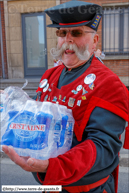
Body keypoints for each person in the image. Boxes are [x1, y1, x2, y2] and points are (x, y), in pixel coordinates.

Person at [2, 1, 129, 193]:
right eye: (61, 33)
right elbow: (39, 119)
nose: (67, 40)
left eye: (76, 33)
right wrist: (11, 104)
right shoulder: (49, 76)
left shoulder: (109, 85)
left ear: (95, 41)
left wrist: (50, 167)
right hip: (50, 185)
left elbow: (103, 148)